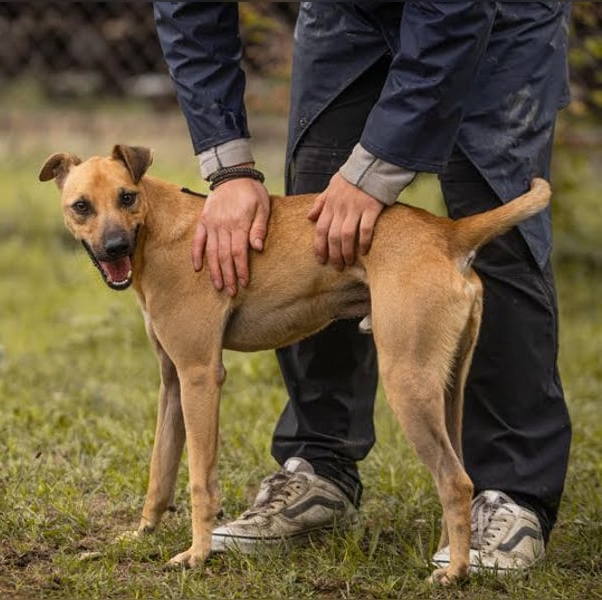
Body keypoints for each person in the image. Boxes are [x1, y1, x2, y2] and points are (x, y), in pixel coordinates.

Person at [153, 2, 571, 572]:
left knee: (496, 228)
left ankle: (510, 491)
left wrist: (374, 174)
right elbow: (190, 14)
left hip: (494, 12)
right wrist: (229, 169)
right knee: (313, 217)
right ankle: (320, 466)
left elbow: (452, 13)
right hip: (346, 12)